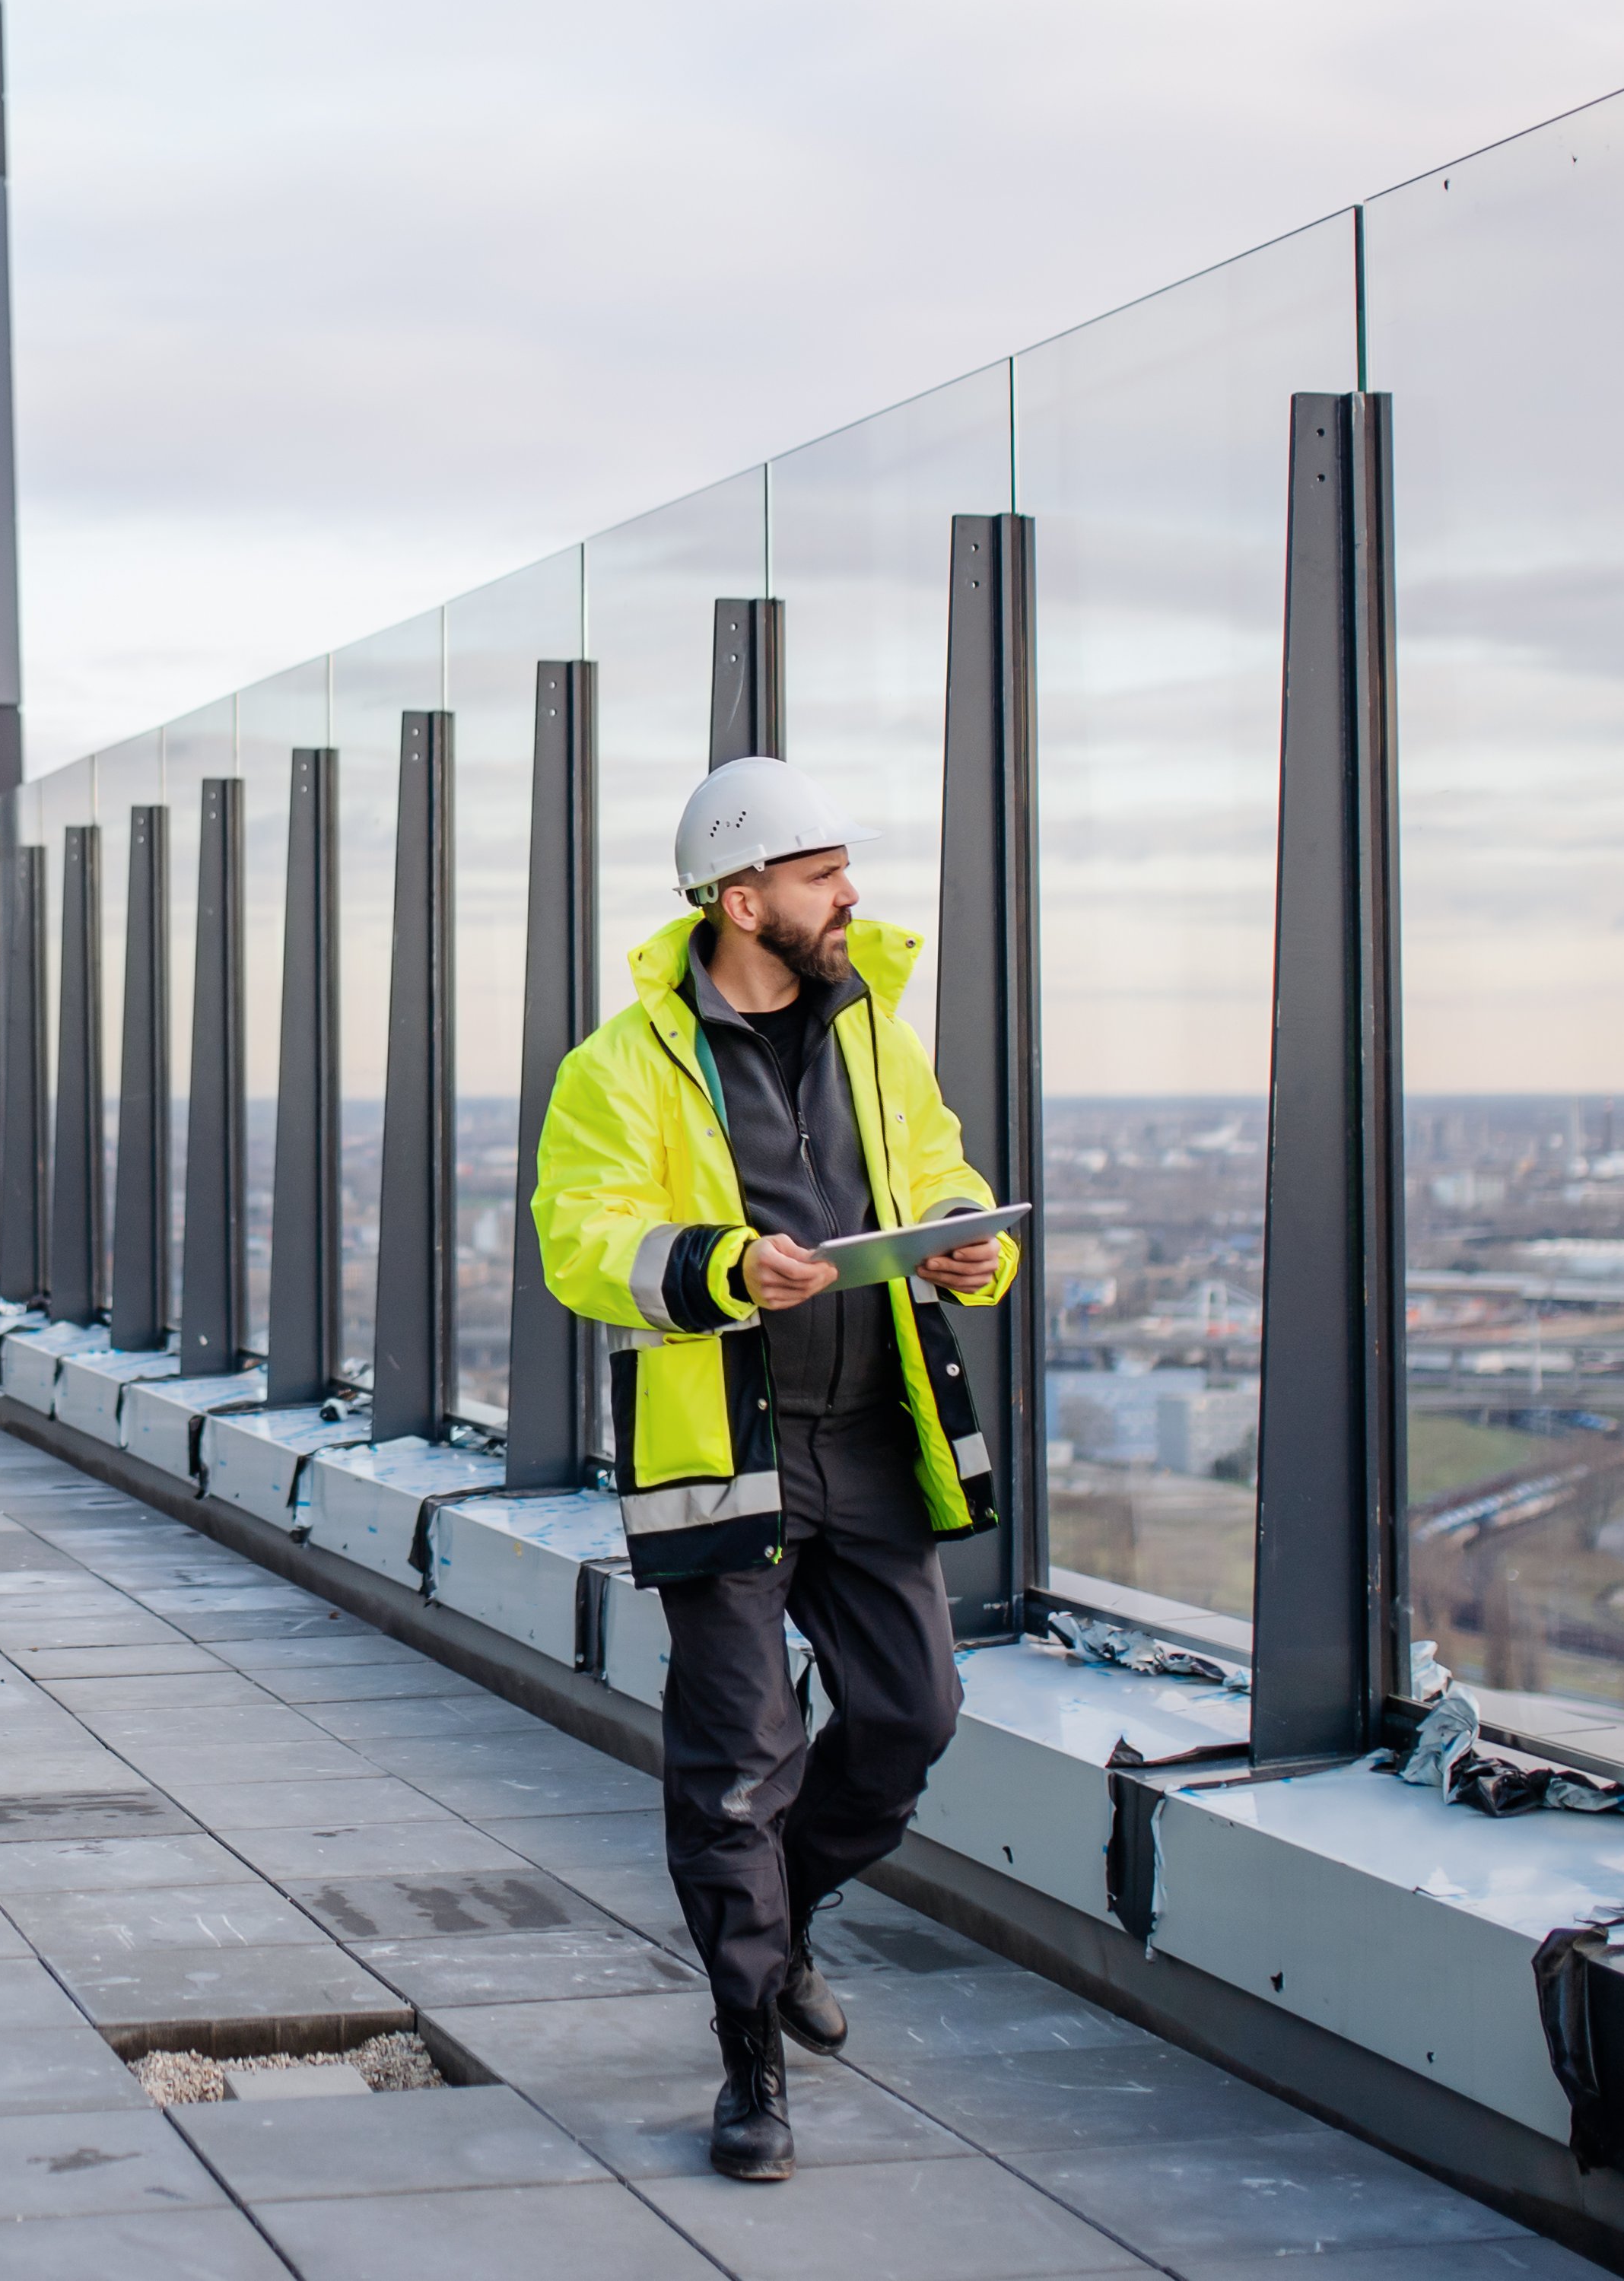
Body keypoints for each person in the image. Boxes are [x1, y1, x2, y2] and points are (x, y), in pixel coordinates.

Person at [530, 754, 1016, 2181]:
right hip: (724, 1456)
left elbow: (936, 1168)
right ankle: (751, 2057)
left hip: (873, 1434)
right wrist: (730, 1264)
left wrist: (971, 1234)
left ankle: (783, 1925)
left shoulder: (877, 1031)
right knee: (735, 1769)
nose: (850, 895)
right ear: (743, 898)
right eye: (821, 875)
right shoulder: (619, 1065)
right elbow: (584, 1242)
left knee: (911, 1716)